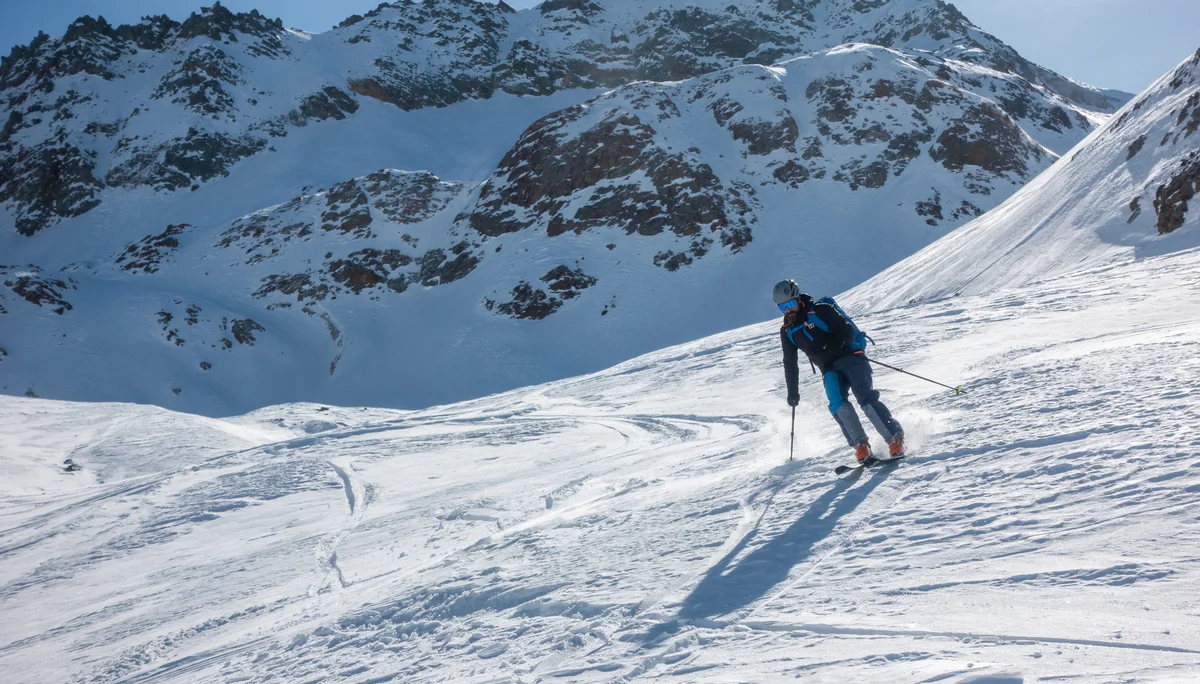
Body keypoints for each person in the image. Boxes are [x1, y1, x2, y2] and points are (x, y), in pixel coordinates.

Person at [774, 279, 904, 463]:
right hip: (829, 369)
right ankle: (861, 445)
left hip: (852, 359)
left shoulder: (820, 310)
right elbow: (790, 362)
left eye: (789, 304)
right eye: (782, 307)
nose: (787, 310)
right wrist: (793, 392)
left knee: (865, 398)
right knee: (836, 402)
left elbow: (847, 330)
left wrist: (830, 348)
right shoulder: (787, 330)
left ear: (797, 299)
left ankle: (894, 438)